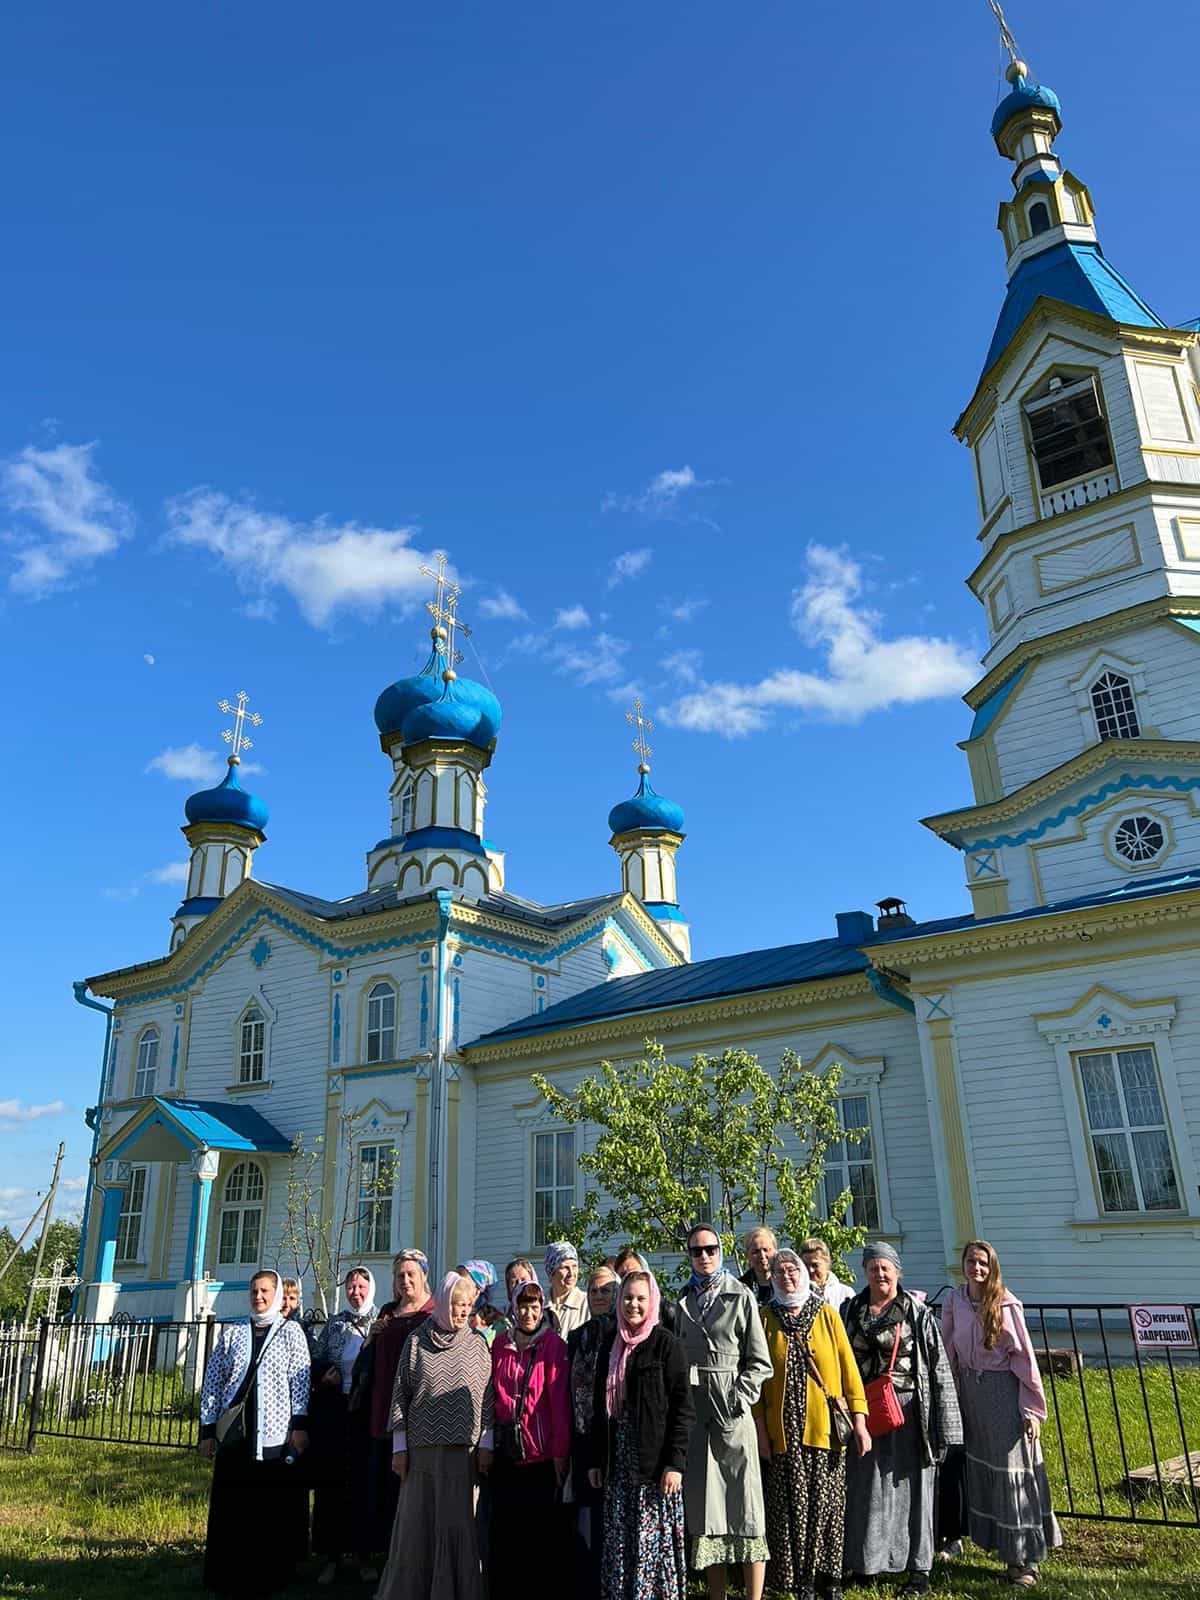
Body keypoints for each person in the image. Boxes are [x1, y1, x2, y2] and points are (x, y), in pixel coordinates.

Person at [842, 1242, 962, 1597]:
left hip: (909, 1410)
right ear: (864, 1271)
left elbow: (938, 1366)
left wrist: (947, 1424)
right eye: (873, 1267)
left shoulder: (916, 1313)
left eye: (886, 1268)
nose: (879, 1274)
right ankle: (868, 1564)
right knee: (866, 1487)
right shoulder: (850, 1310)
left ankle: (918, 1569)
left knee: (914, 1489)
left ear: (897, 1271)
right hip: (864, 1409)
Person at [940, 1240, 1061, 1588]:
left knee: (1013, 1474)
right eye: (970, 1262)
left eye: (982, 1263)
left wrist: (1031, 1409)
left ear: (991, 1267)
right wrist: (947, 1395)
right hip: (971, 1394)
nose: (975, 1268)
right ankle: (1002, 1550)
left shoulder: (1006, 1305)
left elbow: (1025, 1360)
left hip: (1003, 1392)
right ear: (962, 1265)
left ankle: (1024, 1562)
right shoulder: (955, 1302)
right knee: (984, 1473)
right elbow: (948, 1350)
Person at [753, 1249, 870, 1600]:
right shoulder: (764, 1317)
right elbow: (758, 1382)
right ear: (771, 1277)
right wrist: (761, 1433)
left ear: (804, 1273)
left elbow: (850, 1373)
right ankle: (795, 1579)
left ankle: (828, 1577)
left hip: (824, 1431)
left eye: (792, 1270)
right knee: (789, 1507)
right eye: (778, 1271)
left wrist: (860, 1423)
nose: (786, 1276)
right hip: (783, 1433)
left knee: (826, 1505)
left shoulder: (827, 1315)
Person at [376, 1272, 494, 1600]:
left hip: (463, 1455)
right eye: (458, 1305)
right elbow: (401, 1395)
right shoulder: (416, 1341)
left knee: (459, 1530)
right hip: (422, 1454)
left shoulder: (477, 1345)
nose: (463, 1312)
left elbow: (486, 1398)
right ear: (443, 1302)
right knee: (417, 1530)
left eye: (469, 1306)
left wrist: (486, 1444)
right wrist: (399, 1449)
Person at [198, 1269, 311, 1597]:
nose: (258, 1297)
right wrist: (207, 1430)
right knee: (233, 1506)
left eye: (265, 1291)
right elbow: (214, 1381)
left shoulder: (290, 1333)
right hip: (236, 1433)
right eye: (254, 1291)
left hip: (274, 1433)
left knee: (267, 1508)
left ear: (275, 1294)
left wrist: (300, 1426)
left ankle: (269, 1575)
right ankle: (228, 1575)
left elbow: (299, 1382)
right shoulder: (233, 1333)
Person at [676, 1224, 773, 1600]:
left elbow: (760, 1362)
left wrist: (739, 1397)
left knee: (747, 1510)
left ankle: (753, 1596)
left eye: (710, 1249)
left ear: (721, 1250)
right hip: (698, 1419)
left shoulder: (741, 1295)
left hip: (732, 1416)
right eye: (696, 1251)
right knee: (707, 1513)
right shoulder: (683, 1299)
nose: (704, 1257)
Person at [589, 1270, 694, 1600]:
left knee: (652, 1547)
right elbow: (598, 1406)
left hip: (654, 1468)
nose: (633, 1304)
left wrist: (675, 1463)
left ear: (653, 1302)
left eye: (641, 1298)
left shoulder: (666, 1344)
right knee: (622, 1542)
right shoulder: (611, 1344)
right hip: (618, 1467)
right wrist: (596, 1461)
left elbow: (683, 1409)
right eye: (628, 1298)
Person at [490, 1278, 571, 1585]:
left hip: (540, 1456)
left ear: (542, 1309)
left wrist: (560, 1452)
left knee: (540, 1538)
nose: (528, 1313)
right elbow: (492, 1396)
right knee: (509, 1536)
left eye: (534, 1306)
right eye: (523, 1306)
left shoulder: (553, 1347)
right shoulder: (501, 1346)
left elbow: (559, 1403)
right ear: (514, 1307)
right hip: (507, 1454)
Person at [357, 1251, 435, 1568]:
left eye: (411, 1274)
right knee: (388, 1484)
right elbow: (368, 1363)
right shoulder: (388, 1313)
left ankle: (420, 1555)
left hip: (421, 1414)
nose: (405, 1281)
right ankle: (391, 1555)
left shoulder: (432, 1313)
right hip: (386, 1411)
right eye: (400, 1275)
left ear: (424, 1276)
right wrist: (369, 1340)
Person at [310, 1265, 378, 1586]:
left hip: (365, 1413)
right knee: (332, 1485)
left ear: (371, 1288)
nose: (356, 1292)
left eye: (361, 1286)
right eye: (351, 1286)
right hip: (336, 1411)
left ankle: (364, 1555)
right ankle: (331, 1556)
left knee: (363, 1483)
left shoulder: (381, 1323)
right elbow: (317, 1356)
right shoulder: (336, 1323)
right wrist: (323, 1374)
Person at [568, 1267, 620, 1597]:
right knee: (590, 1524)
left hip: (617, 1442)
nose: (599, 1296)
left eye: (606, 1290)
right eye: (594, 1290)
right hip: (584, 1440)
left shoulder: (625, 1334)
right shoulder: (578, 1336)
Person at [545, 1240, 590, 1337]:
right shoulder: (540, 1305)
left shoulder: (587, 1304)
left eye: (574, 1266)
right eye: (565, 1267)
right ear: (551, 1271)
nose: (571, 1273)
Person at [799, 1238, 854, 1313]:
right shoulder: (798, 1295)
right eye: (805, 1265)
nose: (810, 1270)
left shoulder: (845, 1293)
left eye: (815, 1265)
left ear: (827, 1262)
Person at [739, 1227, 777, 1307]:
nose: (762, 1256)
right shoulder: (740, 1288)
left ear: (775, 1251)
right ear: (747, 1256)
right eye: (756, 1252)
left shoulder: (785, 1282)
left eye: (766, 1250)